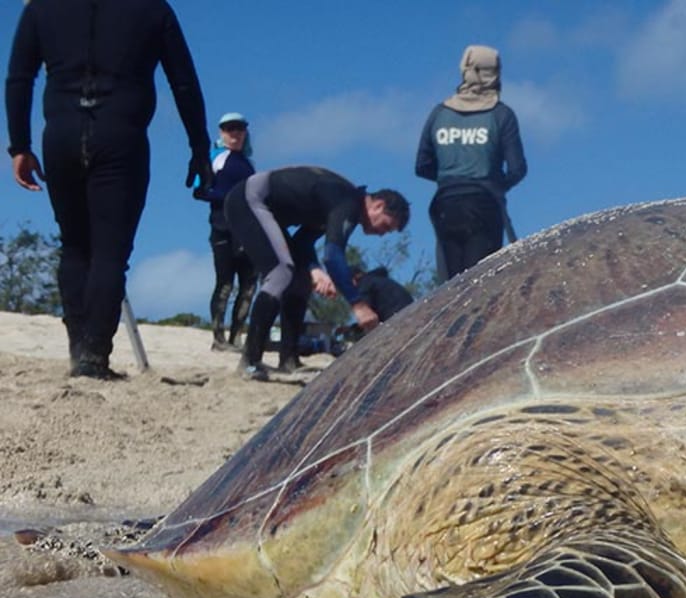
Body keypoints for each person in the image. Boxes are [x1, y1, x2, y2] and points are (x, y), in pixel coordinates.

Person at [5, 0, 212, 380]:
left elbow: (19, 77)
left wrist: (19, 145)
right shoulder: (152, 9)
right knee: (110, 252)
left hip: (62, 134)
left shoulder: (41, 8)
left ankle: (79, 349)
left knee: (74, 245)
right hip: (122, 135)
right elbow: (182, 80)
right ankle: (94, 356)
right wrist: (199, 147)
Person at [222, 165, 408, 381]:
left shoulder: (338, 204)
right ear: (378, 205)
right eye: (386, 226)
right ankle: (250, 361)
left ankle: (289, 360)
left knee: (300, 279)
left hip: (265, 209)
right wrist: (358, 305)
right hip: (249, 200)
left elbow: (302, 244)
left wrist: (315, 270)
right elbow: (332, 255)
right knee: (281, 272)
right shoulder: (347, 202)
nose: (382, 234)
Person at [415, 44, 526, 280]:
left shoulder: (439, 113)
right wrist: (495, 184)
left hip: (444, 205)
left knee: (451, 287)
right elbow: (517, 169)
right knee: (481, 283)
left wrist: (452, 176)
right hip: (484, 205)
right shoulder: (501, 114)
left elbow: (422, 165)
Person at [199, 111, 256, 352]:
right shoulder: (216, 158)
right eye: (230, 129)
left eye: (239, 129)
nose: (235, 134)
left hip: (248, 231)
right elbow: (199, 190)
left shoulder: (248, 163)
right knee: (224, 283)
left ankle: (236, 337)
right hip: (222, 228)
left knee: (248, 285)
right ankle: (218, 338)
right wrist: (231, 198)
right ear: (222, 132)